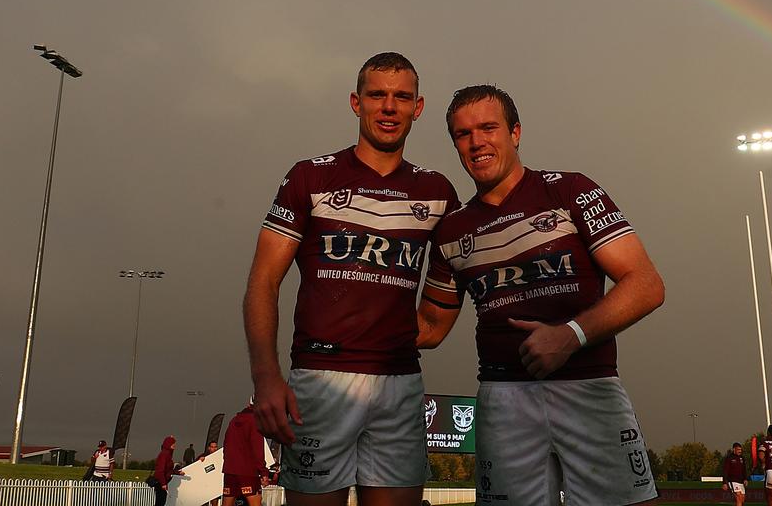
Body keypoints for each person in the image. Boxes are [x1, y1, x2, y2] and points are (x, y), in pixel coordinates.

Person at [417, 85, 664, 506]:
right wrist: (346, 317)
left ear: (515, 132)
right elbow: (429, 327)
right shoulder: (452, 230)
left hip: (589, 387)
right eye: (463, 134)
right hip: (503, 398)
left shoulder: (569, 191)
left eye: (488, 127)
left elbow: (645, 284)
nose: (477, 142)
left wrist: (570, 335)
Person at [243, 52, 459, 506]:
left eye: (402, 97)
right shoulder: (309, 176)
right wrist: (266, 378)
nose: (388, 107)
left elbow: (441, 311)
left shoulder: (437, 192)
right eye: (377, 95)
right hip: (320, 382)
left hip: (400, 383)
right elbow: (263, 281)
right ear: (355, 102)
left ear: (418, 108)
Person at [223, 401, 271, 506]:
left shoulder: (233, 421)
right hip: (248, 472)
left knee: (226, 503)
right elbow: (257, 450)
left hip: (230, 471)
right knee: (255, 502)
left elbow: (226, 445)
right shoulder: (255, 422)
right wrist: (263, 472)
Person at [150, 436, 177, 506]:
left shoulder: (167, 454)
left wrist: (178, 472)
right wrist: (163, 483)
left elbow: (168, 470)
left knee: (160, 502)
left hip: (162, 482)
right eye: (173, 443)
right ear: (168, 444)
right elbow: (160, 470)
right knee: (160, 502)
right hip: (161, 483)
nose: (174, 445)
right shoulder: (164, 454)